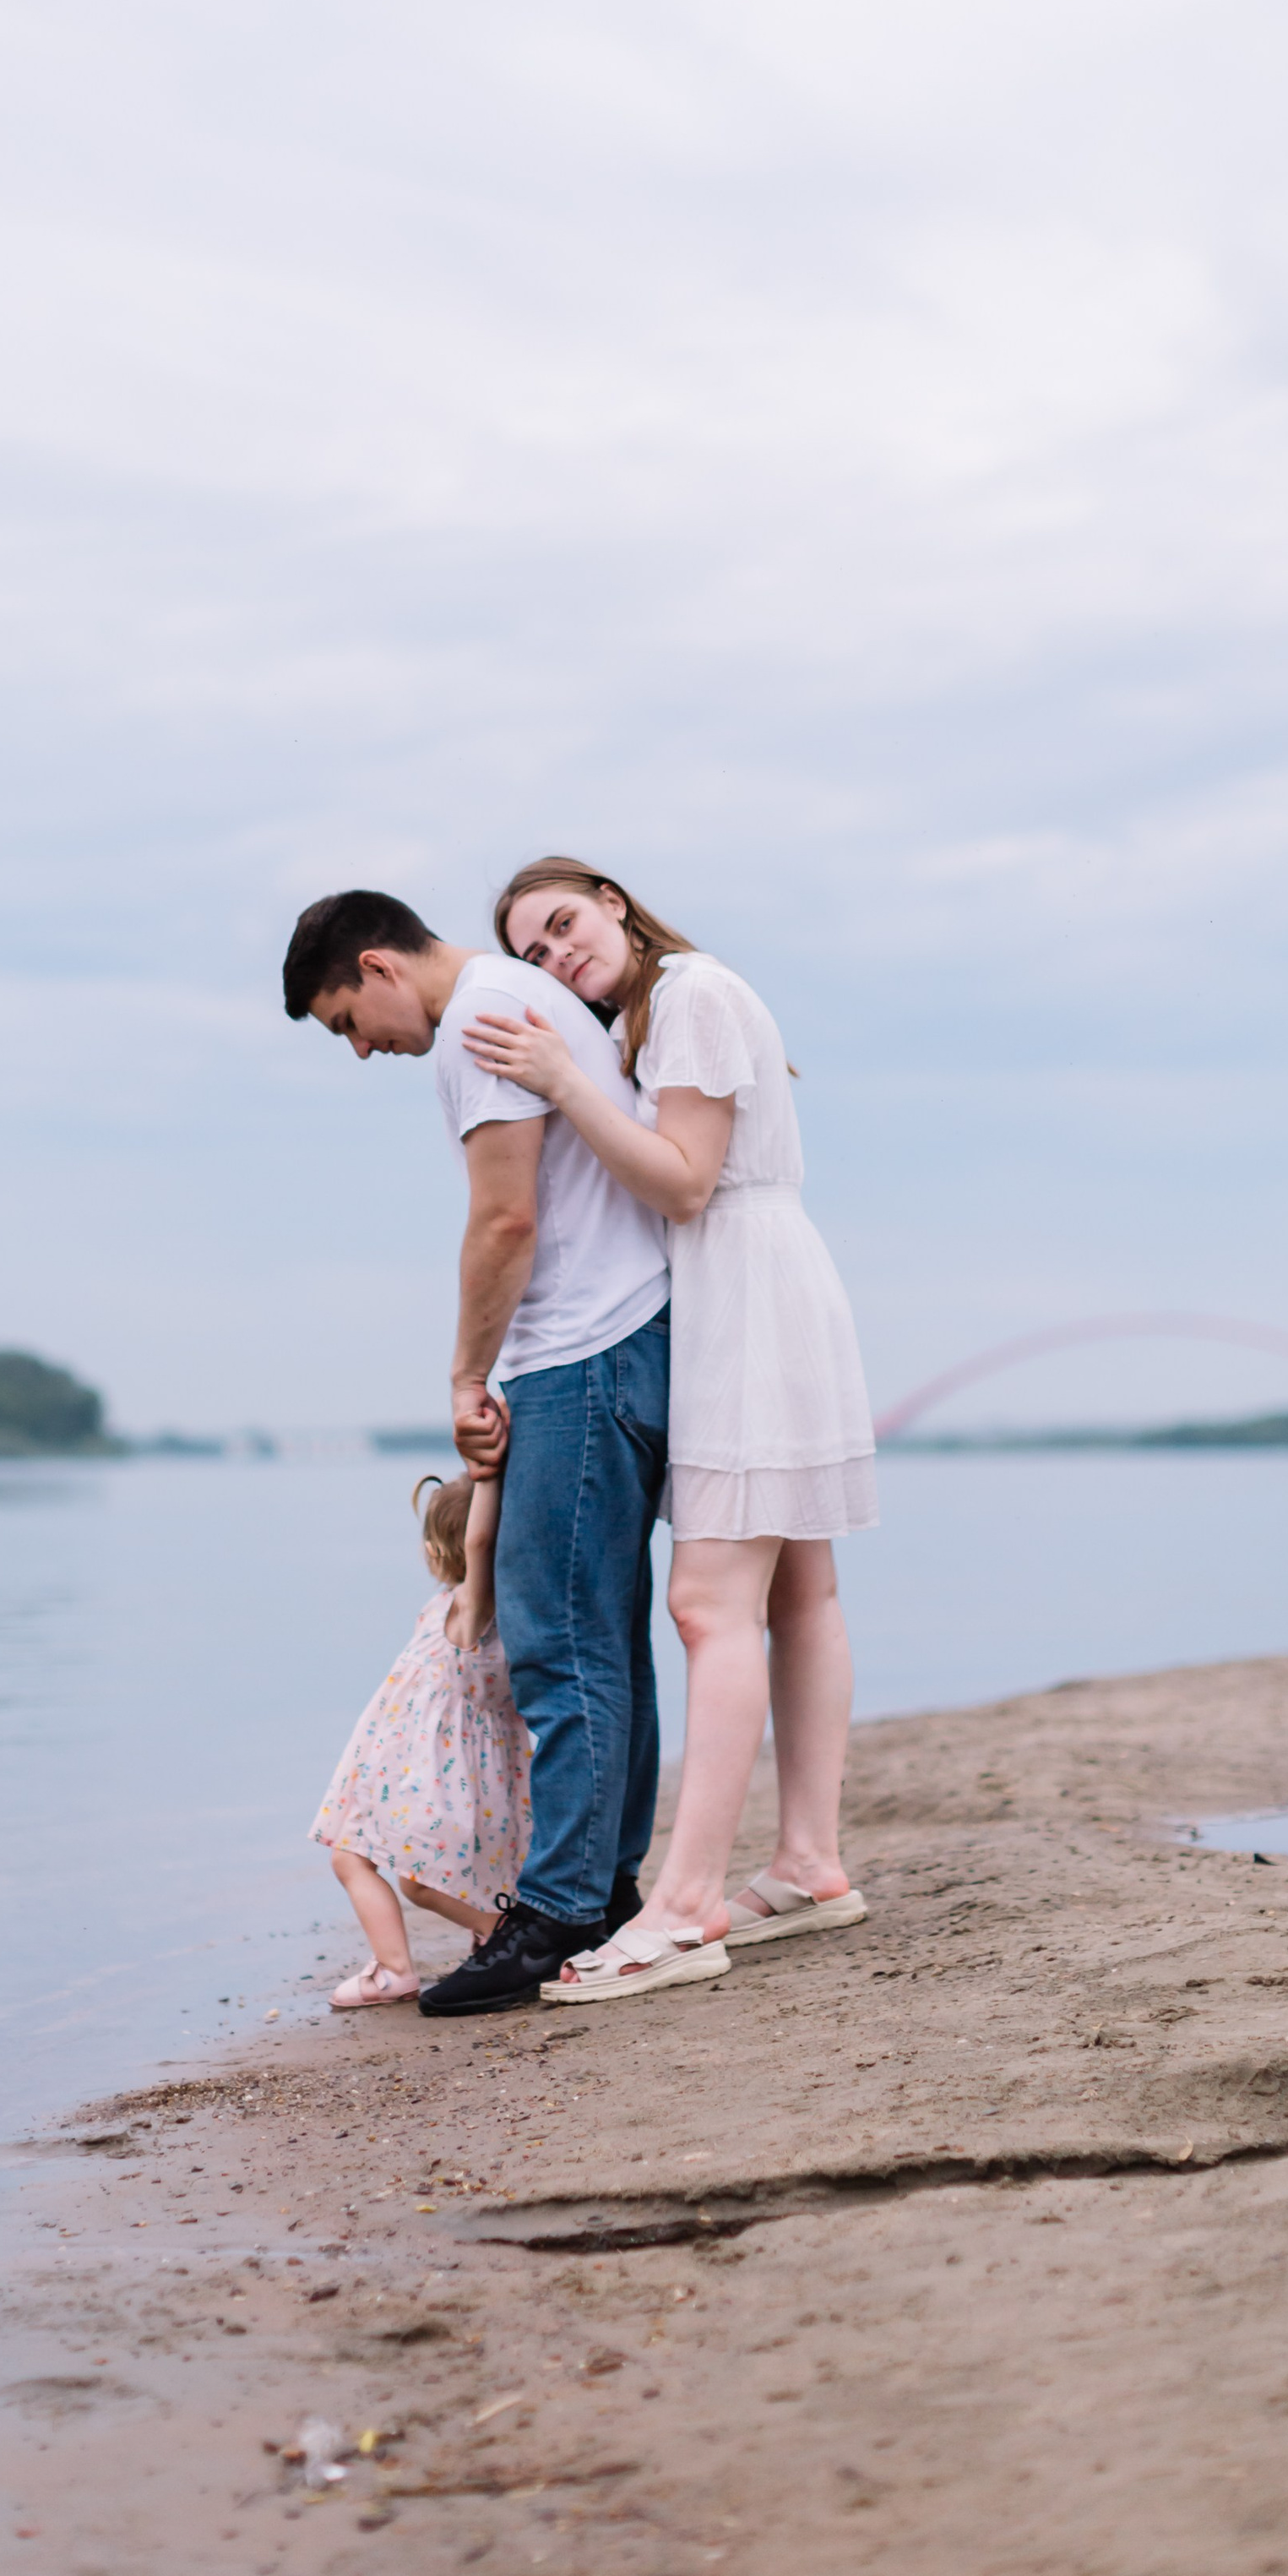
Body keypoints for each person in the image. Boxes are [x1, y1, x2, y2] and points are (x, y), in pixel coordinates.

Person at [466, 858, 875, 2005]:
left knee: (707, 1603)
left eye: (561, 926)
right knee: (798, 1595)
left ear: (612, 899)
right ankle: (805, 1865)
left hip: (744, 1287)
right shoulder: (667, 1007)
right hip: (759, 1287)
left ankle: (688, 1902)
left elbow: (686, 1183)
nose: (557, 957)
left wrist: (561, 1074)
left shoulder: (688, 993)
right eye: (534, 955)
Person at [282, 890, 677, 2014]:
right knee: (603, 1637)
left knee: (557, 1641)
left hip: (582, 1353)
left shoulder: (479, 1022)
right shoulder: (526, 996)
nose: (362, 1049)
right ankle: (597, 1896)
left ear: (378, 968)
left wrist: (467, 1375)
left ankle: (554, 1913)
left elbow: (505, 1218)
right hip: (626, 1341)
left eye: (346, 1021)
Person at [310, 1469, 530, 2007]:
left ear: (436, 1547)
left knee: (400, 1874)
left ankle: (465, 1944)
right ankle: (480, 1937)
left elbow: (478, 1540)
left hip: (432, 1780)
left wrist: (491, 1478)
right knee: (368, 1861)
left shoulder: (468, 1612)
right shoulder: (501, 1611)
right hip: (438, 1775)